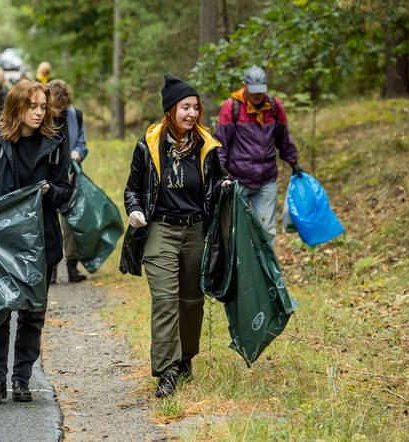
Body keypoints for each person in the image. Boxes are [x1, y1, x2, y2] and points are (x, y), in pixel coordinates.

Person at [120, 74, 226, 398]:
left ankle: (186, 359)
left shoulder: (207, 147)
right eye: (185, 107)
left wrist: (225, 189)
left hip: (195, 232)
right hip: (161, 231)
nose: (192, 114)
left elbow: (217, 185)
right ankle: (166, 372)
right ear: (170, 110)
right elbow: (132, 189)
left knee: (191, 302)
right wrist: (134, 209)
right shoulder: (148, 145)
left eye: (195, 107)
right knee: (166, 301)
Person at [0, 79, 71, 405]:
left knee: (32, 314)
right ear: (17, 107)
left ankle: (21, 379)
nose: (38, 112)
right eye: (32, 106)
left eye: (42, 107)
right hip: (1, 244)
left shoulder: (54, 143)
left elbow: (66, 194)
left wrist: (49, 191)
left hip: (41, 242)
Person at [214, 65, 302, 243]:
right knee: (236, 231)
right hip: (237, 179)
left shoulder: (274, 106)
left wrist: (293, 161)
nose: (257, 95)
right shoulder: (232, 107)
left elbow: (283, 139)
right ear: (244, 85)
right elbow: (221, 143)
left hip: (266, 180)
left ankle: (265, 270)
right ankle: (239, 269)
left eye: (260, 91)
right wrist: (220, 170)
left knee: (266, 231)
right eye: (253, 91)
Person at [47, 79, 89, 284]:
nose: (60, 110)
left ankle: (72, 266)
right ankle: (51, 268)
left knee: (71, 222)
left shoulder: (76, 115)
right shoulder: (42, 117)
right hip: (48, 179)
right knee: (50, 223)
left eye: (64, 106)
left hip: (72, 176)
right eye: (57, 106)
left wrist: (77, 154)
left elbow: (82, 143)